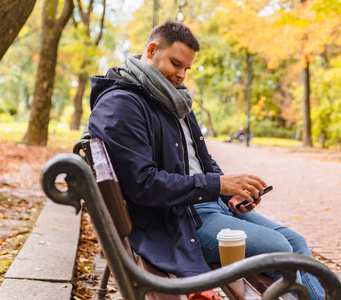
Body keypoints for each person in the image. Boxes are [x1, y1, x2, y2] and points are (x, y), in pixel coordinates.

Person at [88, 20, 324, 300]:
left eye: (186, 68)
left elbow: (202, 160)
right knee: (279, 247)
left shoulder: (172, 99)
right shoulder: (121, 104)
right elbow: (144, 184)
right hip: (176, 219)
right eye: (176, 64)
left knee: (296, 241)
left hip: (205, 206)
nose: (181, 75)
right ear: (151, 51)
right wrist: (218, 185)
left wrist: (231, 193)